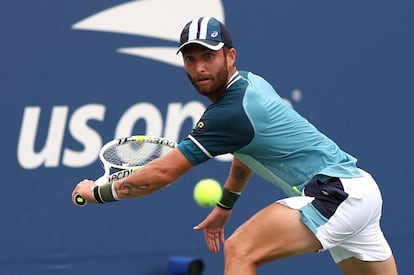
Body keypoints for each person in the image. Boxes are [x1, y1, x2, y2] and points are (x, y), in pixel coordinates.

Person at [72, 17, 398, 274]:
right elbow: (247, 153)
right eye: (190, 58)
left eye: (208, 56)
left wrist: (99, 193)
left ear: (229, 55)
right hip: (358, 193)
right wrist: (225, 205)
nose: (199, 67)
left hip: (336, 194)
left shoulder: (228, 113)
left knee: (240, 249)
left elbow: (164, 173)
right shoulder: (250, 83)